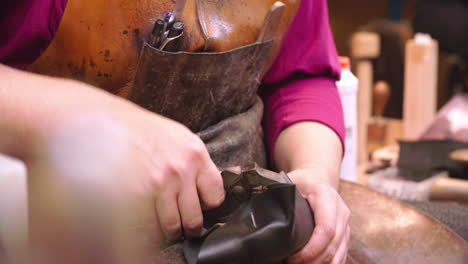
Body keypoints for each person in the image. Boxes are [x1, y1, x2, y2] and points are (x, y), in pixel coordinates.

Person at [0, 0, 349, 263]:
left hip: (245, 219)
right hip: (59, 229)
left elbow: (299, 74)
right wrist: (92, 122)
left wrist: (315, 171)